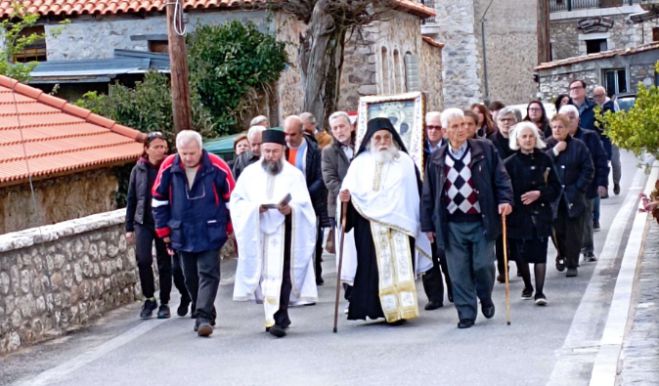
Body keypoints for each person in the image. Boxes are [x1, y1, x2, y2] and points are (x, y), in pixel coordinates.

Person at [421, 108, 513, 329]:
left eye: (464, 124)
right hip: (451, 222)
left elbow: (501, 178)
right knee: (458, 271)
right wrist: (428, 225)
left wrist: (505, 199)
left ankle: (485, 295)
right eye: (455, 126)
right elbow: (429, 194)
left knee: (483, 265)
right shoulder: (436, 158)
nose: (462, 130)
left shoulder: (484, 149)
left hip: (481, 219)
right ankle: (466, 313)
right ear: (444, 132)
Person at [339, 117, 432, 324]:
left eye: (386, 138)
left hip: (401, 225)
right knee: (371, 269)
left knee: (400, 267)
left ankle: (400, 310)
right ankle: (375, 309)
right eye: (378, 138)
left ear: (393, 139)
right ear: (369, 140)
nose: (382, 142)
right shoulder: (358, 164)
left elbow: (415, 194)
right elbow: (348, 195)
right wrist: (345, 200)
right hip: (368, 225)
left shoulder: (406, 162)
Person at [231, 129, 318, 338]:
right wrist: (255, 208)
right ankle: (272, 316)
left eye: (275, 152)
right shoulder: (250, 174)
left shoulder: (293, 175)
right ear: (261, 150)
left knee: (284, 275)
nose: (271, 156)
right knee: (265, 276)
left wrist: (291, 209)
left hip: (286, 231)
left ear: (283, 150)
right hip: (259, 231)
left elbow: (304, 205)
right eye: (267, 151)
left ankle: (279, 317)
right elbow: (237, 202)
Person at [152, 130, 235, 337]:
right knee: (190, 278)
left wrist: (229, 227)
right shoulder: (169, 167)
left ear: (200, 149)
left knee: (208, 273)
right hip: (182, 231)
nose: (188, 158)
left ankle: (203, 317)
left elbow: (232, 199)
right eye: (184, 153)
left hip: (211, 229)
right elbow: (158, 201)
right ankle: (206, 310)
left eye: (192, 153)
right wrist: (163, 231)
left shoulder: (217, 166)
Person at [126, 132, 190, 320]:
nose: (161, 150)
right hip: (143, 222)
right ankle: (149, 298)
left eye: (163, 147)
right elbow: (131, 199)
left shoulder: (170, 168)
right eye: (156, 147)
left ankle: (164, 302)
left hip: (164, 222)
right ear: (146, 149)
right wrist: (129, 228)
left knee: (165, 263)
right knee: (143, 260)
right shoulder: (138, 170)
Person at [504, 123, 560, 305]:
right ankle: (527, 285)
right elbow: (505, 190)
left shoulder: (545, 159)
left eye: (531, 136)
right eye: (524, 137)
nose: (528, 140)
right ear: (517, 140)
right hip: (519, 217)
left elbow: (556, 187)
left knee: (540, 254)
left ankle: (540, 291)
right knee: (521, 255)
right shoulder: (509, 163)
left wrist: (540, 194)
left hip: (540, 215)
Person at [545, 114, 594, 277]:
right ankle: (562, 254)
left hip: (574, 196)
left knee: (574, 231)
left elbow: (588, 169)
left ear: (567, 128)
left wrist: (578, 188)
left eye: (561, 127)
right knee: (558, 231)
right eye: (554, 127)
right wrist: (554, 151)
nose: (557, 130)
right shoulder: (546, 146)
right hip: (554, 197)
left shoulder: (579, 146)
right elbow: (540, 166)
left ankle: (572, 263)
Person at [558, 104, 607, 261]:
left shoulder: (589, 136)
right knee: (563, 221)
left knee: (585, 217)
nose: (569, 121)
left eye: (572, 117)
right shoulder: (554, 140)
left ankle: (587, 249)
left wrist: (602, 183)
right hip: (562, 187)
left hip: (585, 185)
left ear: (578, 120)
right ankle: (566, 253)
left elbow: (600, 160)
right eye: (566, 117)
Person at [284, 115, 329, 285]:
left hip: (310, 201)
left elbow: (321, 177)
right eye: (286, 134)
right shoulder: (282, 149)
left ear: (302, 133)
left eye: (293, 134)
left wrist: (304, 194)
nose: (289, 138)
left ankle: (315, 273)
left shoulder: (314, 150)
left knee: (313, 239)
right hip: (287, 203)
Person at [421, 111, 453, 310]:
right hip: (423, 204)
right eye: (429, 127)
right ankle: (434, 296)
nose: (433, 131)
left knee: (447, 253)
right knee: (427, 253)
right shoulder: (416, 149)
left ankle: (455, 289)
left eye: (437, 127)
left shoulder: (450, 149)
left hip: (445, 205)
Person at [488, 106, 519, 282]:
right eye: (503, 120)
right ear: (496, 122)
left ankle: (521, 265)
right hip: (499, 193)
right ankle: (503, 267)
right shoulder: (490, 142)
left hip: (519, 190)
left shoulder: (521, 138)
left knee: (518, 234)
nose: (507, 123)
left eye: (510, 120)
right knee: (501, 235)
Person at [592, 85, 622, 196]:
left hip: (612, 137)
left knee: (615, 163)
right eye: (596, 96)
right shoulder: (593, 107)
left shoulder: (612, 104)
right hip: (599, 139)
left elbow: (619, 119)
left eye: (601, 95)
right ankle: (604, 188)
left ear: (605, 94)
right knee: (603, 164)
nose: (599, 98)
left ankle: (616, 182)